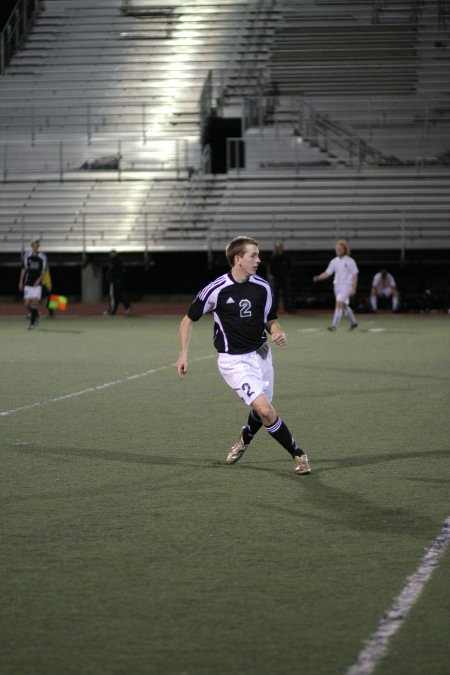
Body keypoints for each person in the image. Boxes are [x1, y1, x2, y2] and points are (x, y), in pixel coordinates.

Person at [176, 235, 311, 475]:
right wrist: (183, 355)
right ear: (238, 259)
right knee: (266, 410)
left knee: (262, 409)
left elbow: (270, 319)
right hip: (234, 361)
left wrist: (277, 331)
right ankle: (298, 455)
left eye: (258, 255)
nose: (258, 260)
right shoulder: (216, 289)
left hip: (262, 355)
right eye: (253, 255)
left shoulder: (263, 287)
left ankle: (244, 439)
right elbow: (188, 320)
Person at [313, 239, 359, 331]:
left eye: (340, 248)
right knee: (344, 305)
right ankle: (354, 322)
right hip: (337, 286)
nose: (338, 250)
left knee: (338, 303)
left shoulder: (350, 261)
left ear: (344, 249)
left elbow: (355, 274)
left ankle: (334, 325)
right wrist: (318, 277)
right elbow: (327, 273)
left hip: (347, 285)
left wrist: (354, 287)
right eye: (337, 248)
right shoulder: (334, 261)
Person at [18, 237, 47, 329]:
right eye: (34, 245)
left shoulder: (42, 256)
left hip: (37, 283)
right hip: (28, 282)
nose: (36, 247)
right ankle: (35, 314)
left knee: (34, 302)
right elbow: (24, 269)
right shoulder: (27, 255)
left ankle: (32, 323)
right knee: (26, 303)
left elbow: (43, 271)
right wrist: (21, 281)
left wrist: (38, 280)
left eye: (37, 246)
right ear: (31, 246)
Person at [268, 241, 293, 313]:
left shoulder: (286, 257)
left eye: (280, 247)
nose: (279, 249)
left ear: (282, 248)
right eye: (277, 247)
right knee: (275, 294)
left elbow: (290, 267)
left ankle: (287, 308)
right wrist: (275, 275)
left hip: (285, 279)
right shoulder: (274, 258)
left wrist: (287, 275)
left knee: (286, 294)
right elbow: (271, 268)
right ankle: (274, 309)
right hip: (276, 279)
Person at [104, 249, 131, 315]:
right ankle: (127, 306)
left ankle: (112, 310)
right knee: (118, 296)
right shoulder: (112, 262)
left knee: (113, 296)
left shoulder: (117, 262)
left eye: (112, 253)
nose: (111, 255)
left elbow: (119, 272)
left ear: (115, 254)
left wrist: (117, 280)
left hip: (115, 282)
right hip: (114, 281)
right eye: (110, 253)